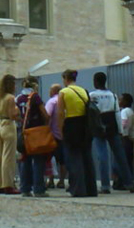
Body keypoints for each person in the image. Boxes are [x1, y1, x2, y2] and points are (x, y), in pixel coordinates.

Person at [89, 72, 134, 193]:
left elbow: (91, 113)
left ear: (95, 82)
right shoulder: (113, 95)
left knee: (102, 156)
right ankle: (129, 183)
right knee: (120, 155)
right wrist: (120, 131)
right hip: (112, 125)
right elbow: (117, 113)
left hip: (98, 125)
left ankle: (105, 186)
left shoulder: (92, 95)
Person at [57, 69, 97, 197]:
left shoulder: (63, 92)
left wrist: (60, 129)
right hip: (85, 125)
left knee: (74, 158)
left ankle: (78, 189)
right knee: (87, 158)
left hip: (71, 125)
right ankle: (91, 189)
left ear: (65, 79)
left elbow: (60, 113)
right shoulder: (83, 91)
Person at [16, 76, 50, 197]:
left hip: (23, 132)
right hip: (36, 132)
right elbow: (45, 114)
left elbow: (16, 115)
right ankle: (39, 189)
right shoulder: (35, 97)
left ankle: (25, 188)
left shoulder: (18, 98)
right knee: (38, 160)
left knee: (25, 159)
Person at [0, 74, 20, 195]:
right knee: (8, 157)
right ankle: (8, 184)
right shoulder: (10, 98)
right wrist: (18, 110)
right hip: (9, 125)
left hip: (0, 126)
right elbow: (12, 115)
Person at [45, 83, 67, 190]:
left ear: (54, 91)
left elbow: (47, 116)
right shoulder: (64, 100)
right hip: (64, 135)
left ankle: (51, 180)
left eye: (50, 89)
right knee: (63, 160)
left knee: (50, 159)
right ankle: (62, 181)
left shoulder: (52, 101)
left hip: (52, 135)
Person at [115, 93, 134, 190]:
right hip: (130, 139)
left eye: (120, 100)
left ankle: (121, 182)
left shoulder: (123, 112)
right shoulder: (131, 111)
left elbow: (123, 123)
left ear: (126, 101)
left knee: (122, 161)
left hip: (124, 137)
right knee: (128, 161)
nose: (119, 102)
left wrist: (119, 130)